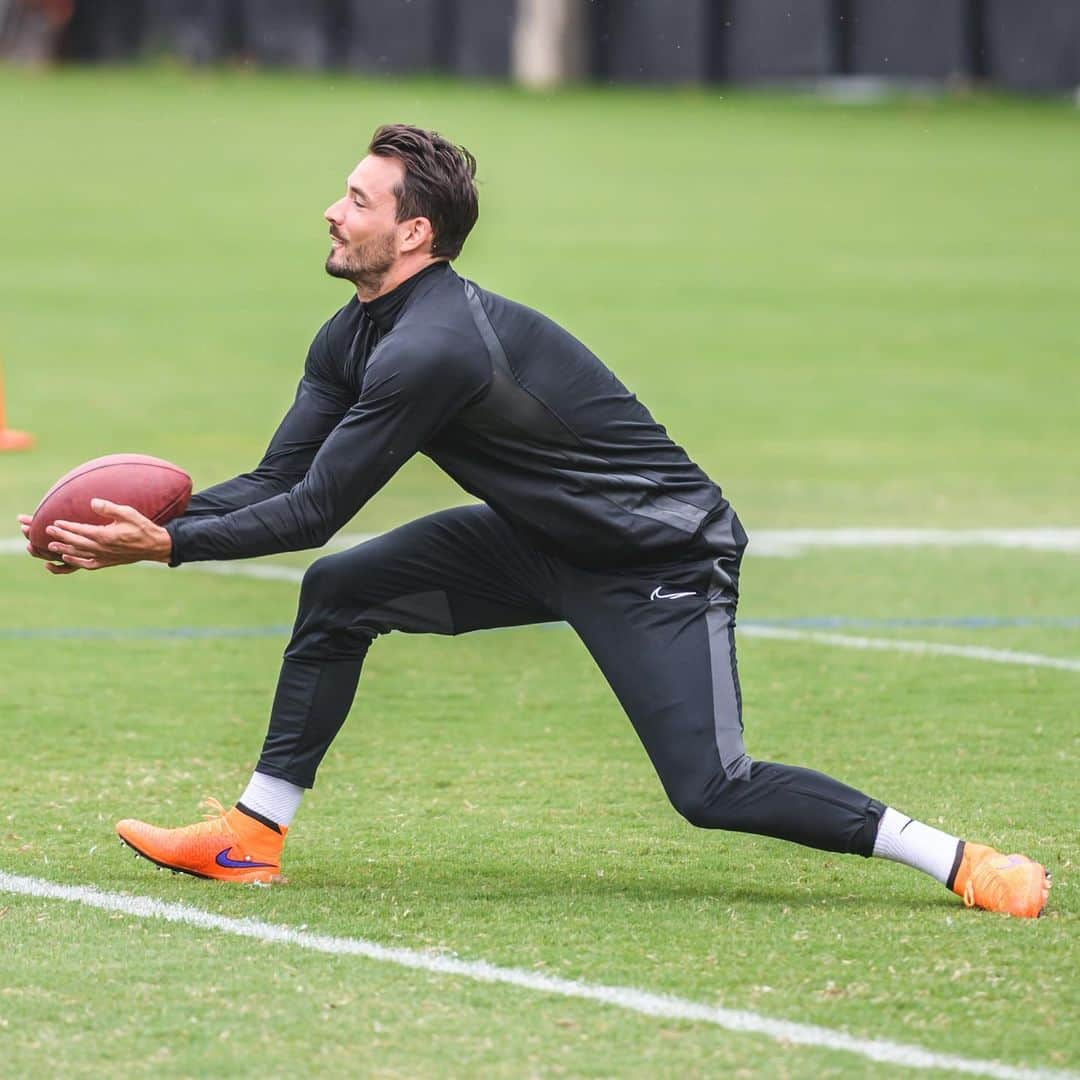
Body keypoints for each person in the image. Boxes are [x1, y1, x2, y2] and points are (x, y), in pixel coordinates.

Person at [20, 124, 1049, 917]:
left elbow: (316, 510)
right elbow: (281, 476)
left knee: (713, 788)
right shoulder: (358, 333)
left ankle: (959, 861)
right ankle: (253, 836)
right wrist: (118, 526)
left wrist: (169, 543)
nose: (331, 212)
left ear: (413, 232)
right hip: (534, 539)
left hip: (658, 559)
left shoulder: (433, 348)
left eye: (356, 199)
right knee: (341, 597)